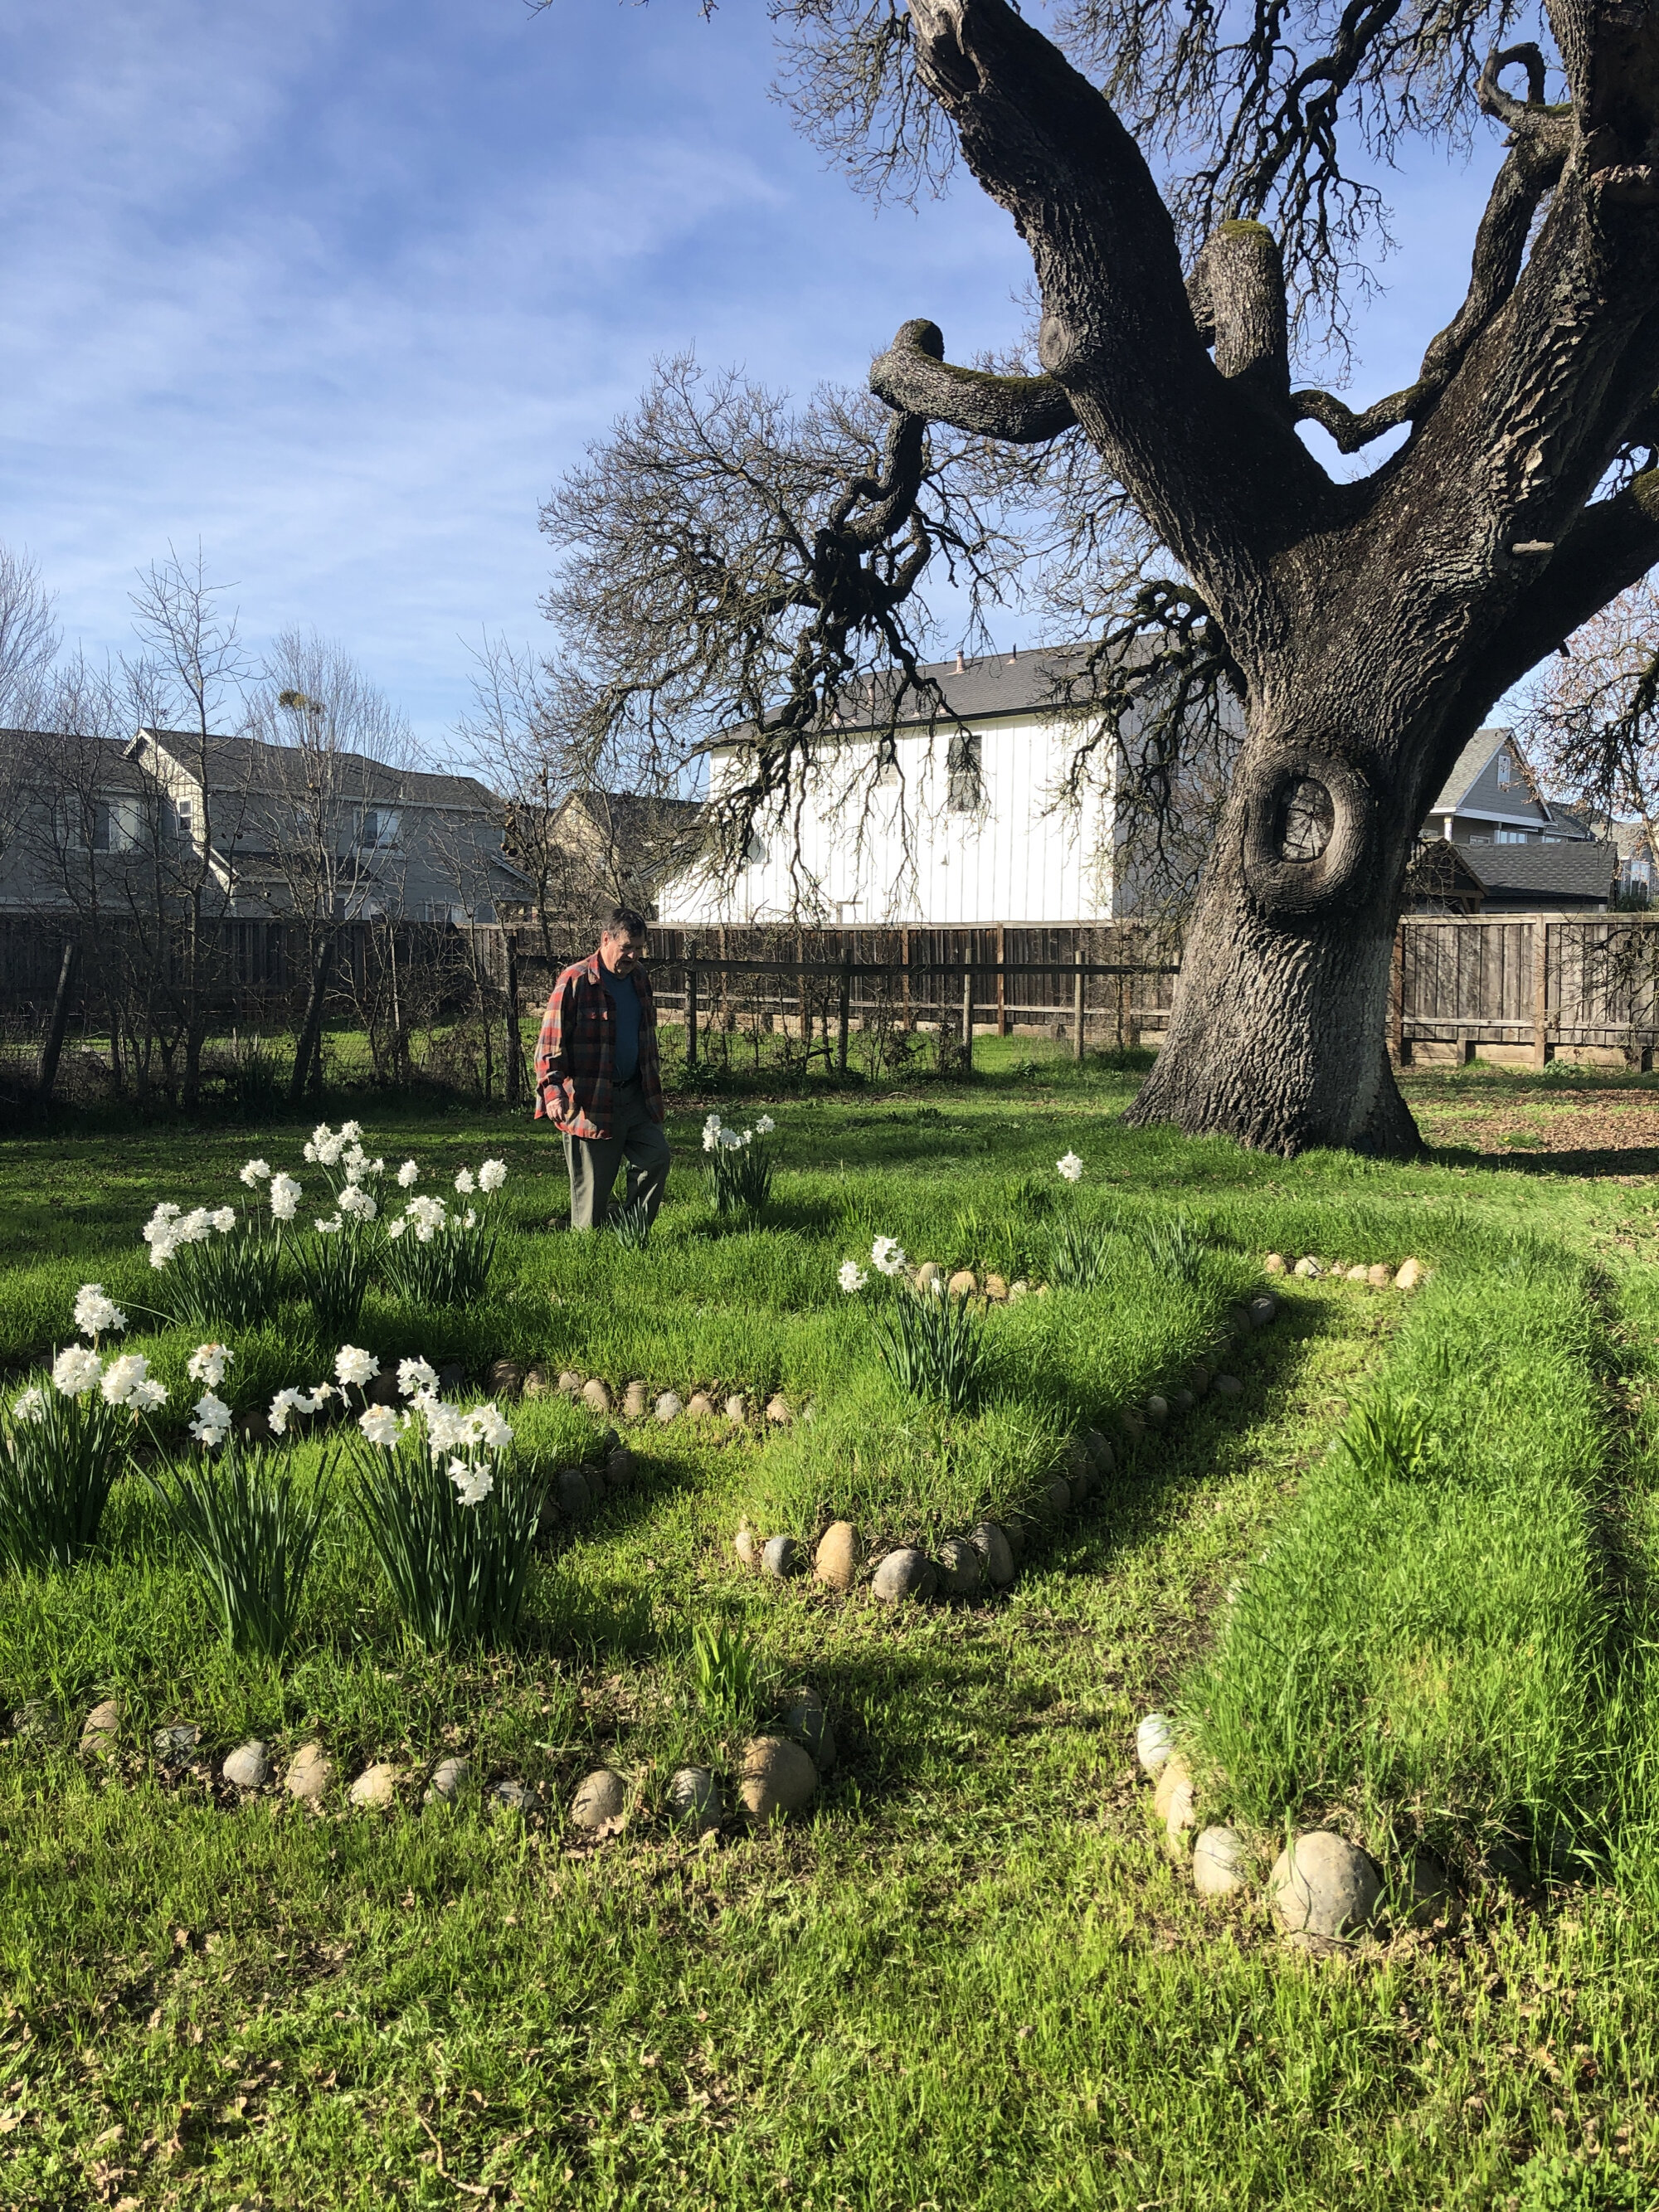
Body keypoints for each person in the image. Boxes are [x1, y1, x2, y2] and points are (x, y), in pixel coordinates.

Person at [534, 906, 672, 1230]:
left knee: (656, 1157)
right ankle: (587, 1247)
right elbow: (550, 1044)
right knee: (592, 1199)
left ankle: (632, 1232)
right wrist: (553, 1091)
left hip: (636, 1095)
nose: (633, 956)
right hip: (591, 1101)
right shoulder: (575, 980)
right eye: (627, 947)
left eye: (639, 948)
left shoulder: (639, 979)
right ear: (606, 939)